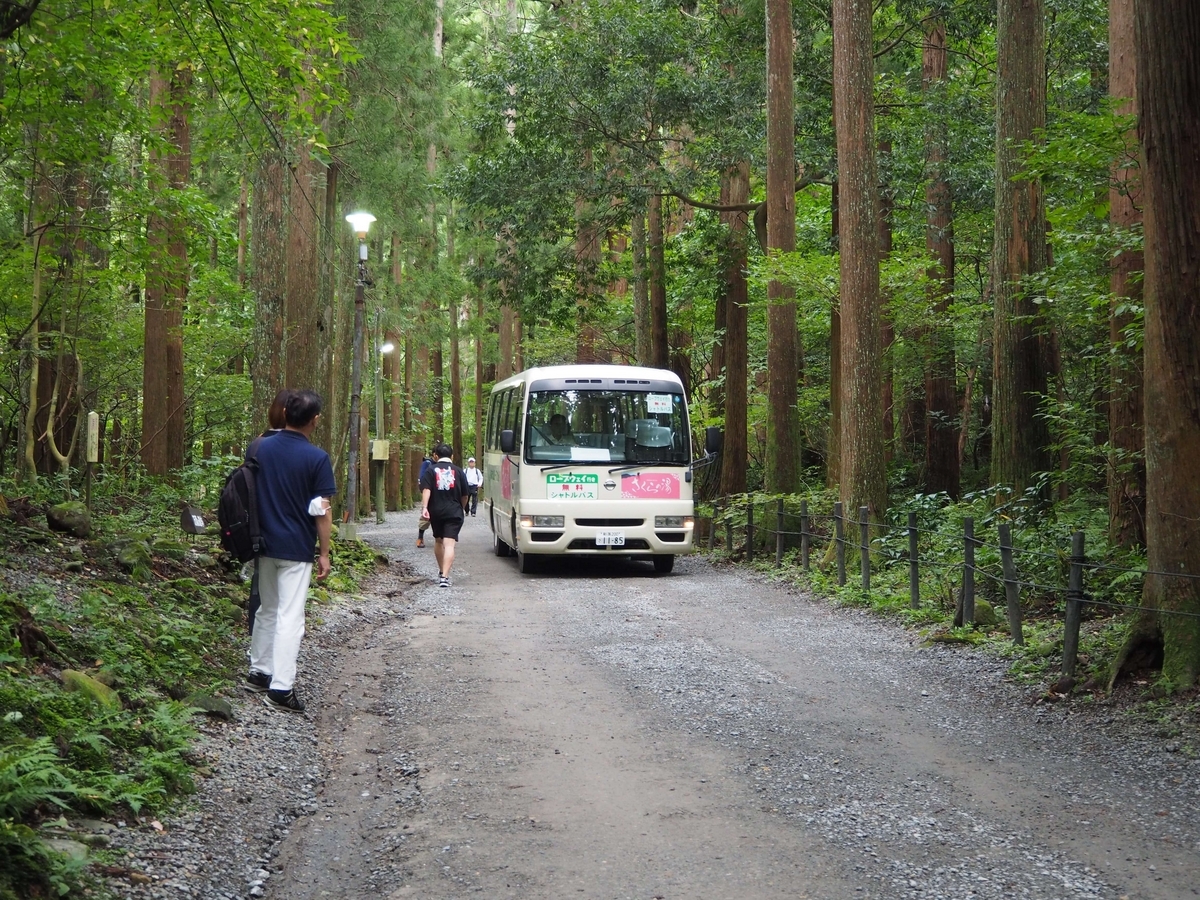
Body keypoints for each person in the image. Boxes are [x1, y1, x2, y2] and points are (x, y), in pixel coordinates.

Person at [245, 390, 335, 713]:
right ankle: (281, 688)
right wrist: (324, 553)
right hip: (296, 546)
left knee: (267, 608)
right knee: (290, 617)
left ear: (285, 414)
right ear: (315, 420)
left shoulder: (260, 447)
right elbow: (321, 512)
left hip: (262, 542)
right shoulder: (317, 458)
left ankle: (259, 672)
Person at [246, 389, 293, 636]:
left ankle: (258, 645)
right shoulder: (295, 446)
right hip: (289, 530)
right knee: (286, 599)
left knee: (262, 591)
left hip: (258, 525)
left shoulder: (257, 443)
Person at [420, 442, 468, 588]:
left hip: (436, 511)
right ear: (452, 456)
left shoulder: (431, 470)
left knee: (439, 541)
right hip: (454, 511)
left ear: (435, 456)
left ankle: (441, 571)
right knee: (449, 544)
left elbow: (426, 489)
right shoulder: (459, 471)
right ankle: (445, 578)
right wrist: (461, 507)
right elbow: (465, 495)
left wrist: (425, 507)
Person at [416, 451, 434, 548]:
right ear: (434, 454)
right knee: (426, 517)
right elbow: (421, 478)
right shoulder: (427, 463)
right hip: (429, 493)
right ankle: (420, 537)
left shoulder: (443, 465)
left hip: (442, 495)